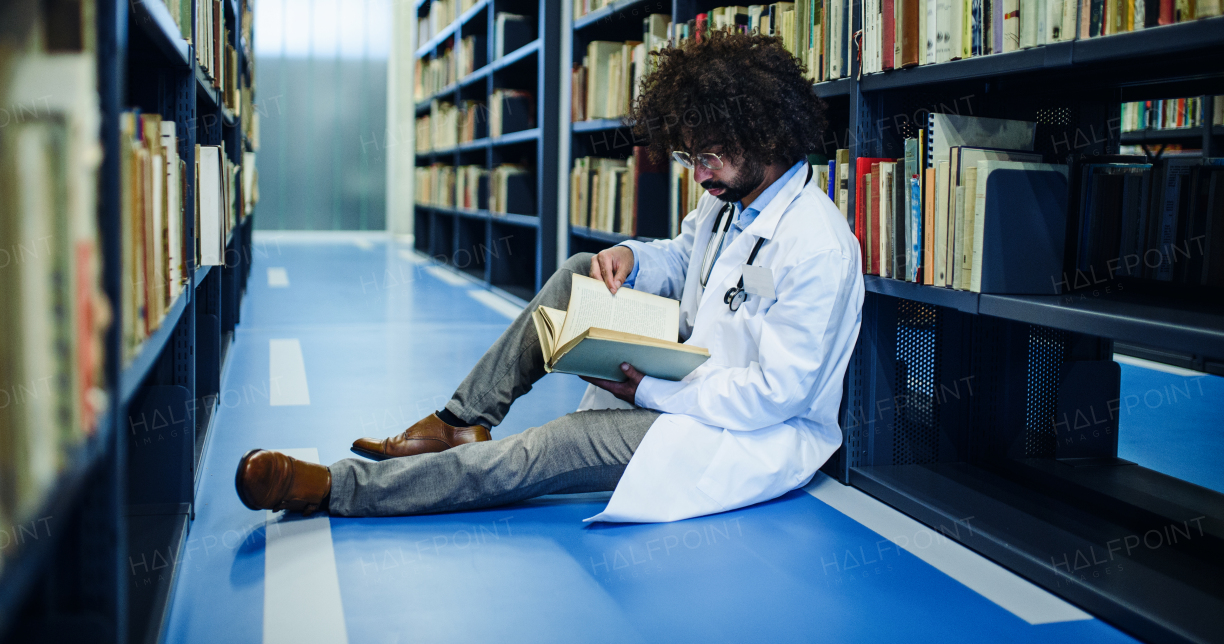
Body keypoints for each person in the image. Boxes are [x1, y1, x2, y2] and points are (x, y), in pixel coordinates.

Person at [235, 30, 864, 523]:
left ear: (765, 132)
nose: (699, 174)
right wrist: (634, 257)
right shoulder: (727, 199)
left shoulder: (817, 248)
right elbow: (687, 258)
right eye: (689, 158)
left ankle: (338, 489)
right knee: (577, 275)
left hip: (738, 431)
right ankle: (460, 417)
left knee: (557, 446)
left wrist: (650, 392)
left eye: (708, 157)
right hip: (690, 373)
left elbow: (775, 395)